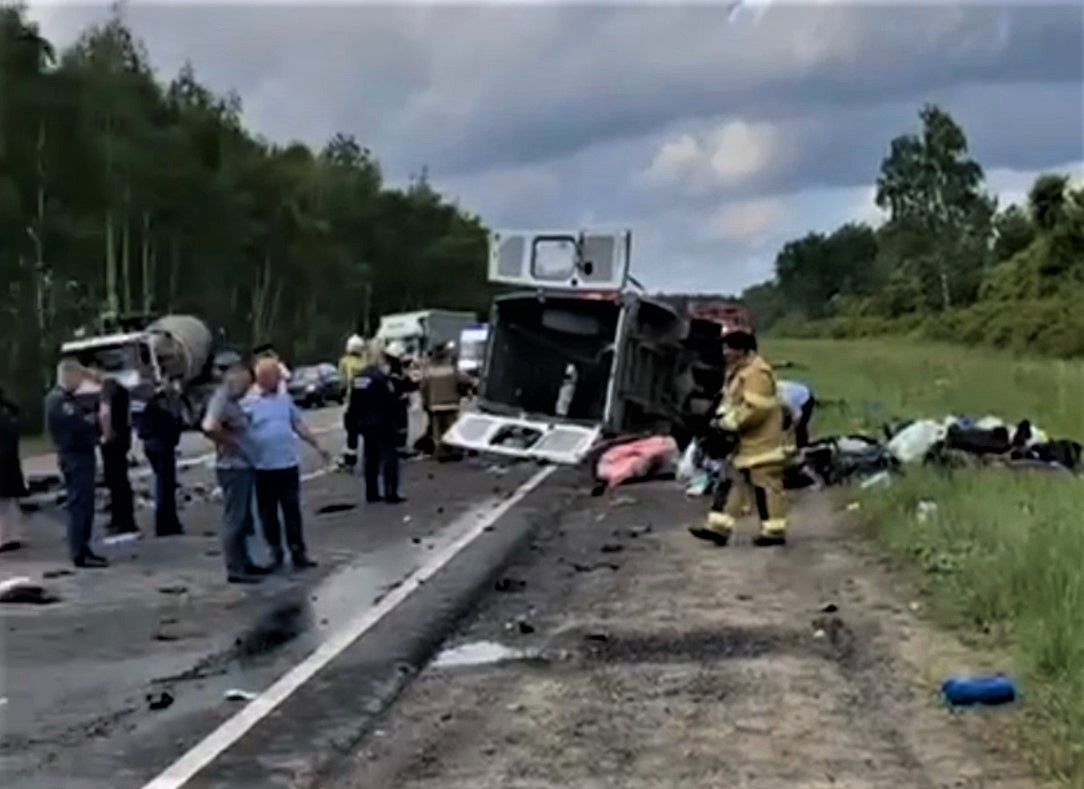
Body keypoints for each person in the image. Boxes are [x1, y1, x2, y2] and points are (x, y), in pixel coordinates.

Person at [689, 328, 790, 548]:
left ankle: (774, 532)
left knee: (766, 487)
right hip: (746, 443)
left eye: (729, 348)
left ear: (743, 349)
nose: (725, 352)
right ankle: (718, 529)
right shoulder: (740, 371)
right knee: (734, 483)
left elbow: (757, 408)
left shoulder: (756, 373)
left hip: (762, 444)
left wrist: (731, 423)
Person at [244, 358, 330, 569]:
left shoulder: (284, 400)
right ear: (263, 378)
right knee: (268, 514)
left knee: (292, 511)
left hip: (287, 465)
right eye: (274, 376)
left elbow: (298, 424)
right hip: (263, 467)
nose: (278, 379)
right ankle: (275, 552)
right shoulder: (248, 404)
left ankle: (298, 552)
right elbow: (239, 432)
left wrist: (317, 445)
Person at [202, 361, 273, 584]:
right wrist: (230, 442)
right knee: (235, 518)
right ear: (236, 377)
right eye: (246, 383)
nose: (247, 389)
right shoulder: (222, 398)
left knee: (243, 519)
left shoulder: (232, 400)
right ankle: (235, 567)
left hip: (243, 465)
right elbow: (210, 426)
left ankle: (245, 562)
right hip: (233, 467)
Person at [45, 360, 108, 568]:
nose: (80, 383)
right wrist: (93, 425)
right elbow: (80, 426)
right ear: (69, 376)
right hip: (75, 456)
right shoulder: (59, 402)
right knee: (79, 505)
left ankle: (84, 547)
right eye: (78, 378)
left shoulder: (67, 400)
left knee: (85, 505)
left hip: (78, 455)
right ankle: (79, 551)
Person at [347, 340, 404, 503]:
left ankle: (371, 492)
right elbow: (391, 402)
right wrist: (397, 424)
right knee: (390, 457)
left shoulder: (358, 379)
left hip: (365, 424)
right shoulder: (382, 379)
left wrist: (354, 427)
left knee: (370, 458)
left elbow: (353, 405)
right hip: (383, 423)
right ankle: (390, 493)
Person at [88, 363, 139, 535]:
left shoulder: (107, 387)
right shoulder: (119, 387)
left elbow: (104, 412)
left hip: (113, 441)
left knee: (116, 481)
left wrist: (105, 435)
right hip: (122, 438)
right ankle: (121, 518)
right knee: (119, 480)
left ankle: (122, 520)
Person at [137, 380, 185, 537]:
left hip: (151, 445)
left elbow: (141, 430)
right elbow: (175, 423)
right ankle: (166, 524)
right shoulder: (167, 405)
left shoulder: (151, 404)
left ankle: (166, 522)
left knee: (162, 484)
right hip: (162, 446)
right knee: (165, 487)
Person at [419, 342, 462, 461]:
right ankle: (454, 450)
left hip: (435, 405)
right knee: (452, 428)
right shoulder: (451, 368)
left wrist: (425, 402)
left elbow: (423, 387)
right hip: (451, 403)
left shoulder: (429, 370)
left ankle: (440, 452)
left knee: (437, 431)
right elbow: (462, 381)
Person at [0, 387, 28, 553]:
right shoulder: (10, 412)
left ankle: (4, 538)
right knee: (9, 501)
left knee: (3, 502)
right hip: (10, 461)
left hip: (2, 461)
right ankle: (13, 535)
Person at [337, 335, 367, 471]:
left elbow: (342, 382)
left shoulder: (344, 362)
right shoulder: (365, 362)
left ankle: (350, 460)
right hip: (366, 401)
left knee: (351, 433)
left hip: (351, 400)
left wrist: (341, 395)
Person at [778, 379, 815, 449]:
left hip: (805, 398)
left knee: (800, 427)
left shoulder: (785, 399)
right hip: (789, 399)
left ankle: (803, 449)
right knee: (782, 424)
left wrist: (789, 433)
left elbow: (798, 417)